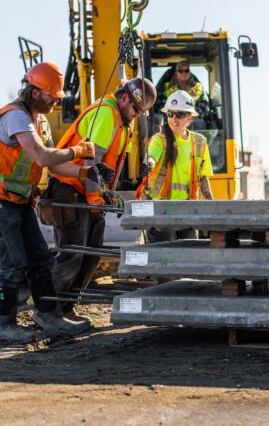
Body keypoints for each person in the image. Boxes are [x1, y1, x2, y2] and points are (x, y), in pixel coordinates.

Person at [0, 61, 114, 342]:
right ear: (35, 92)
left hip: (17, 200)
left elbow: (55, 166)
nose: (56, 101)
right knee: (13, 264)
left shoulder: (40, 121)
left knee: (40, 260)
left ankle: (50, 316)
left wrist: (87, 171)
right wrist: (77, 151)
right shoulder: (15, 117)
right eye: (53, 96)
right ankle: (4, 326)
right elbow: (42, 156)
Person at [49, 77, 157, 323]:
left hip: (88, 190)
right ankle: (50, 311)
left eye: (141, 112)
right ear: (124, 97)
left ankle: (66, 308)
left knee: (91, 254)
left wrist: (106, 193)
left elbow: (109, 165)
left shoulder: (124, 122)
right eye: (135, 109)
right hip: (71, 188)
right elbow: (90, 159)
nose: (136, 114)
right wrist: (93, 196)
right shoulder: (108, 113)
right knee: (72, 253)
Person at [138, 90, 214, 243]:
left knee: (190, 259)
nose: (173, 119)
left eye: (179, 114)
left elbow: (203, 178)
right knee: (166, 258)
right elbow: (151, 156)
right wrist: (149, 165)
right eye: (170, 114)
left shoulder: (200, 142)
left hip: (188, 211)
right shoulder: (160, 139)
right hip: (161, 211)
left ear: (189, 118)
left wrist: (213, 204)